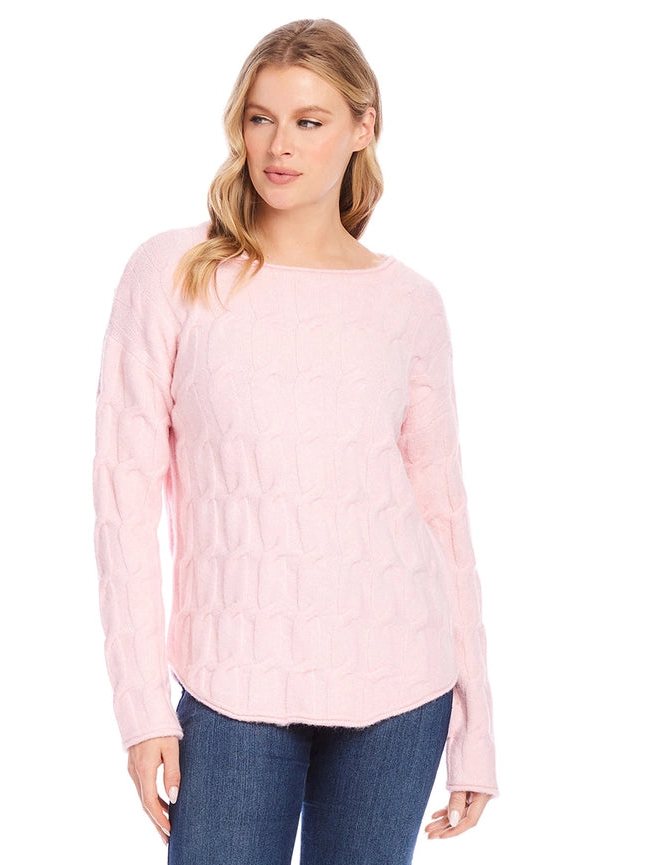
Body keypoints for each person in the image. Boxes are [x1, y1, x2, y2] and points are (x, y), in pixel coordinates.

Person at [92, 17, 499, 865]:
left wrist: (476, 729)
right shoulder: (175, 273)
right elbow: (122, 503)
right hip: (232, 681)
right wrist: (141, 708)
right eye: (261, 118)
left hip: (401, 681)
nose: (279, 146)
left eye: (309, 121)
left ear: (362, 127)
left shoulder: (409, 303)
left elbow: (444, 519)